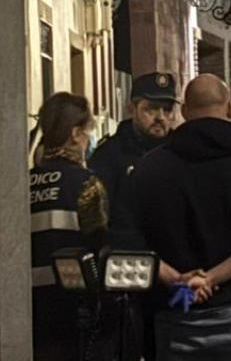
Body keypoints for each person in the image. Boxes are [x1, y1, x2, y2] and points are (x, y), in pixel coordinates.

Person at [131, 75, 231, 361]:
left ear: (185, 112)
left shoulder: (149, 169)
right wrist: (211, 277)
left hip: (177, 314)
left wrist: (179, 281)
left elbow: (130, 240)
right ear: (230, 108)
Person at [88, 71, 179, 359]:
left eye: (167, 109)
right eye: (151, 109)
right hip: (130, 280)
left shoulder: (180, 151)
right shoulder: (109, 156)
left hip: (176, 276)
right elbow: (102, 221)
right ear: (132, 109)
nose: (160, 117)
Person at [29, 92, 110, 361]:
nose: (89, 139)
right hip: (71, 312)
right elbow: (100, 243)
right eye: (88, 131)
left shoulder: (24, 183)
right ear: (75, 134)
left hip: (27, 309)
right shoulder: (85, 184)